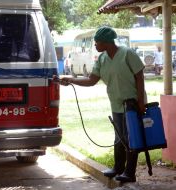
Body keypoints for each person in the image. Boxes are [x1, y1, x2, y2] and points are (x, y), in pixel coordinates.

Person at [56, 26, 145, 183]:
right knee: (119, 138)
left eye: (97, 42)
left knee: (132, 138)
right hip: (116, 103)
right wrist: (70, 80)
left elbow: (140, 76)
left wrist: (141, 102)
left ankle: (130, 173)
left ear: (107, 42)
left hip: (132, 102)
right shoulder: (102, 59)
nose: (95, 45)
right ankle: (118, 168)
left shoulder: (127, 53)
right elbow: (91, 80)